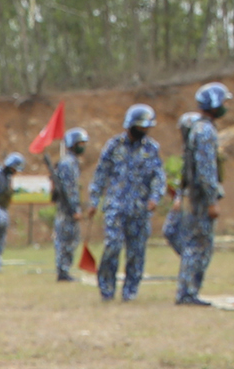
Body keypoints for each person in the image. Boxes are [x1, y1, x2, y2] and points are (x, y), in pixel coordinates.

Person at [87, 104, 166, 302]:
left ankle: (130, 290)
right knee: (112, 245)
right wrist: (94, 200)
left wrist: (155, 197)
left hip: (140, 209)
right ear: (130, 125)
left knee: (136, 252)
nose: (144, 130)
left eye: (147, 127)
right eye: (141, 126)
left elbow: (158, 176)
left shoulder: (151, 148)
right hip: (116, 207)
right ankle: (106, 289)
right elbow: (101, 174)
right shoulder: (114, 146)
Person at [176, 82, 231, 306]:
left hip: (196, 196)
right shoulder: (205, 131)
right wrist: (212, 200)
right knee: (199, 246)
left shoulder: (197, 128)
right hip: (202, 198)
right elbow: (206, 170)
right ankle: (188, 293)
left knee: (194, 243)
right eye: (223, 102)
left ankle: (187, 292)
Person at [163, 113, 201, 258]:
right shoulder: (189, 151)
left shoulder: (200, 152)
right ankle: (189, 259)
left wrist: (183, 198)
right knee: (171, 231)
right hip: (184, 197)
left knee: (176, 231)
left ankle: (190, 260)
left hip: (192, 200)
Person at [51, 129, 86, 281]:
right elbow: (68, 189)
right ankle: (63, 272)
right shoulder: (68, 163)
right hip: (67, 210)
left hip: (67, 209)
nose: (83, 147)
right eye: (80, 143)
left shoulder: (70, 162)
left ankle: (64, 271)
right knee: (66, 241)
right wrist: (74, 209)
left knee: (70, 240)